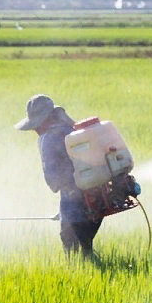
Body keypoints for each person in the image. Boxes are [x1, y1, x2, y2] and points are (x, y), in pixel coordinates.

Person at [15, 94, 101, 260]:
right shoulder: (72, 129)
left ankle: (80, 269)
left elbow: (54, 179)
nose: (35, 129)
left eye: (36, 125)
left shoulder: (48, 139)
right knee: (85, 244)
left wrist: (67, 208)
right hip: (98, 191)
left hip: (74, 194)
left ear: (45, 119)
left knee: (72, 246)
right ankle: (88, 261)